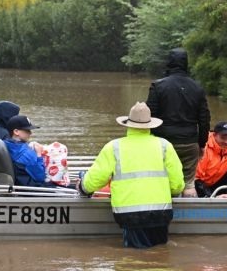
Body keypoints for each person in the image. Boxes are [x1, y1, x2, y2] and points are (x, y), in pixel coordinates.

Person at [78, 102, 185, 248]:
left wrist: (83, 188)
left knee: (135, 261)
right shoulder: (165, 145)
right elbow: (177, 184)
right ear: (150, 125)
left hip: (131, 214)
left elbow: (95, 179)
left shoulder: (114, 147)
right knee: (159, 258)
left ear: (128, 125)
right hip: (161, 213)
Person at [146, 47, 210, 197]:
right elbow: (204, 119)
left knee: (164, 180)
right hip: (189, 142)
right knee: (188, 183)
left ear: (169, 63)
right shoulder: (197, 88)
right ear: (186, 64)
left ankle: (163, 214)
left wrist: (152, 141)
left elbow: (150, 117)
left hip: (163, 142)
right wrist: (201, 143)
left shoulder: (158, 86)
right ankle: (188, 217)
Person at [3, 114, 58, 187]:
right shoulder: (26, 153)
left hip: (17, 183)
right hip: (30, 188)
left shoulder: (4, 144)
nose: (30, 133)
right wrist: (39, 154)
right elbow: (40, 177)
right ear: (16, 131)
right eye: (27, 130)